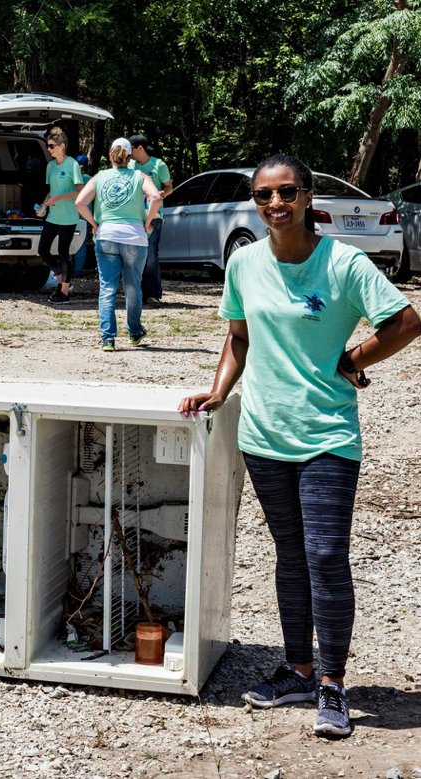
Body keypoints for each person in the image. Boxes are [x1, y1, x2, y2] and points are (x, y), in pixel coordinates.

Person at [178, 153, 421, 737]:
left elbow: (407, 321)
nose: (275, 205)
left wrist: (352, 360)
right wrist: (216, 391)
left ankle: (334, 685)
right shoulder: (245, 263)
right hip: (263, 434)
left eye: (286, 193)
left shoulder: (343, 264)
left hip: (327, 437)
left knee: (325, 557)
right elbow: (238, 336)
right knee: (290, 555)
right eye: (264, 196)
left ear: (308, 197)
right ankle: (298, 669)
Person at [75, 137, 161, 351]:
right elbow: (156, 197)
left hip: (107, 236)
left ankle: (108, 338)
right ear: (129, 155)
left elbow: (79, 202)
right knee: (133, 287)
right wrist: (147, 222)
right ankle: (134, 331)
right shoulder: (139, 176)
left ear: (110, 156)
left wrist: (95, 224)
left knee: (107, 288)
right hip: (134, 237)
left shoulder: (99, 177)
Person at [37, 129, 84, 304]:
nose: (49, 149)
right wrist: (43, 206)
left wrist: (59, 198)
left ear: (62, 146)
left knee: (63, 252)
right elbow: (51, 191)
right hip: (53, 215)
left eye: (51, 146)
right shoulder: (50, 166)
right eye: (48, 146)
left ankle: (64, 292)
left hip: (68, 216)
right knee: (43, 250)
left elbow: (80, 191)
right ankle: (61, 280)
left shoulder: (72, 164)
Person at [127, 135, 172, 304]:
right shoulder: (130, 166)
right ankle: (137, 293)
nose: (128, 153)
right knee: (134, 254)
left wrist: (158, 194)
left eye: (130, 149)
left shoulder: (159, 165)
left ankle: (153, 294)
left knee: (151, 254)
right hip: (134, 215)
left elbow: (169, 188)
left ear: (139, 148)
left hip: (154, 215)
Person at [72, 154, 94, 276]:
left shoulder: (72, 179)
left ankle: (67, 268)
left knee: (69, 240)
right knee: (82, 243)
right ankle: (78, 270)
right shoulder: (90, 179)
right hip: (86, 215)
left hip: (71, 214)